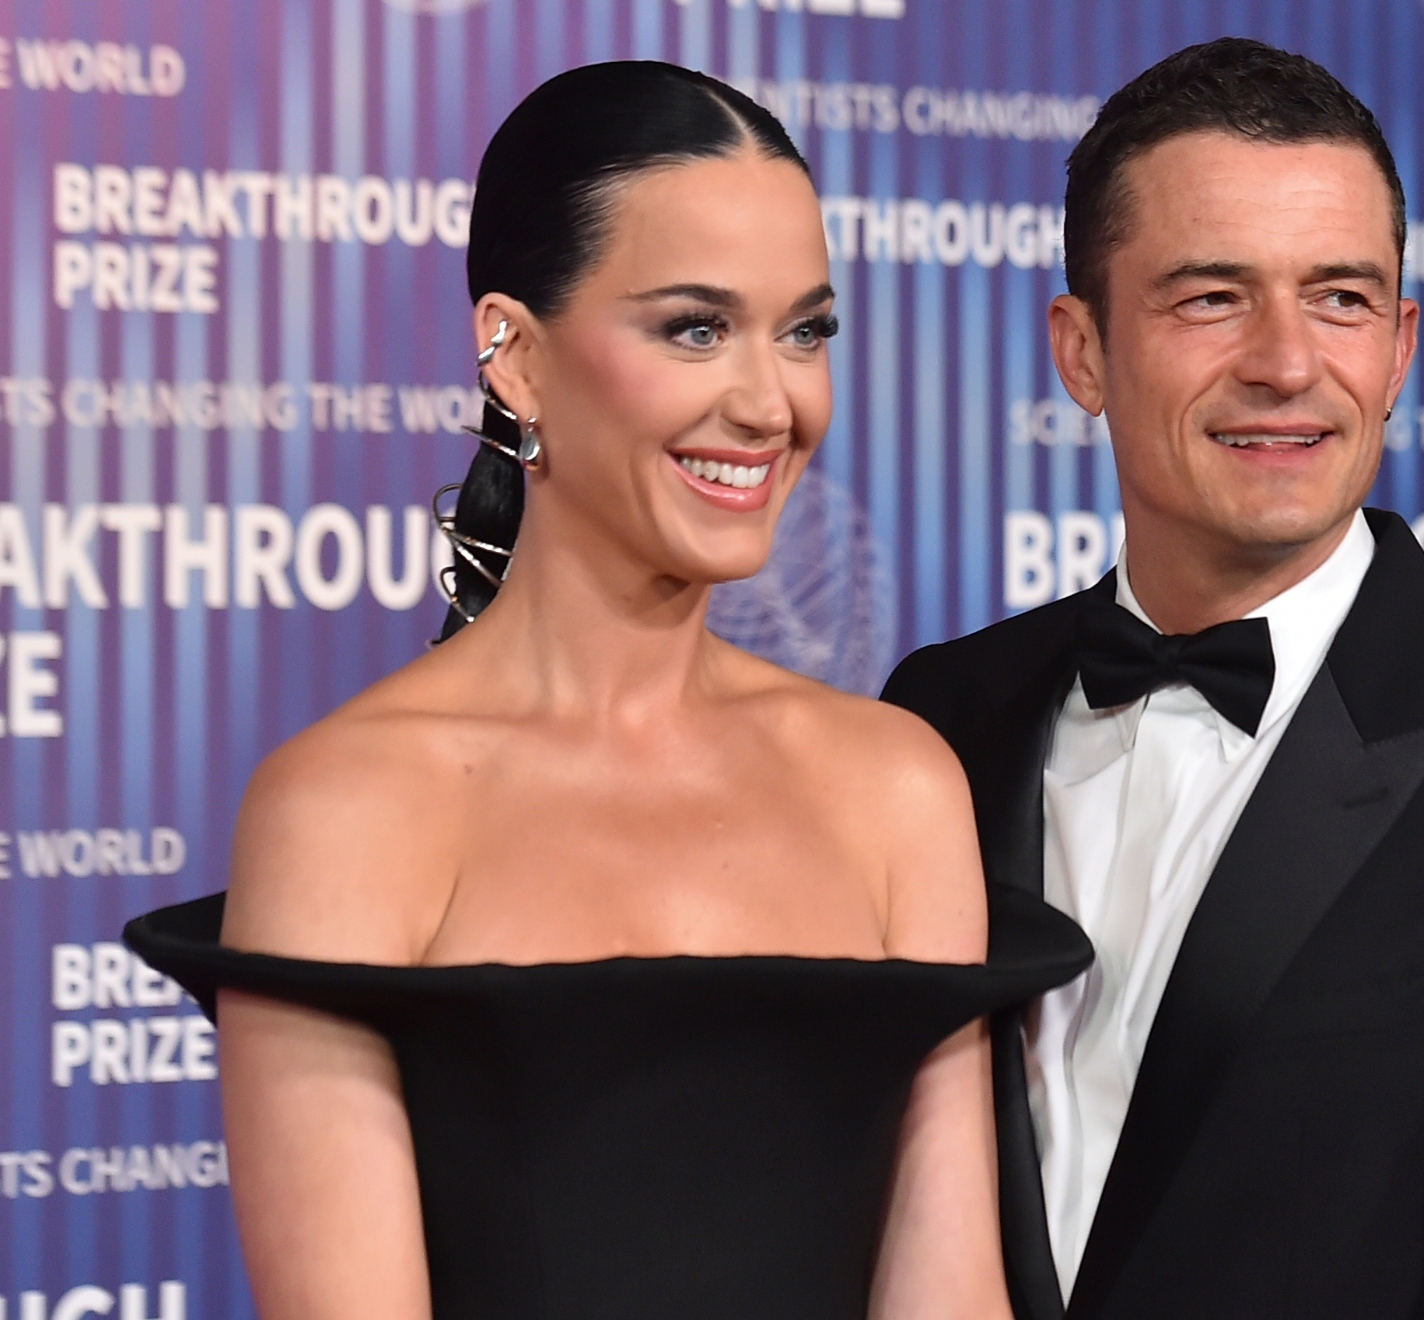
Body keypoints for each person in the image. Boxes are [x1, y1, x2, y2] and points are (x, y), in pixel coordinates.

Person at [125, 61, 1087, 1320]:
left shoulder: (896, 785)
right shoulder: (350, 812)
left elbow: (950, 1298)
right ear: (514, 356)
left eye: (804, 330)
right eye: (695, 327)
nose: (767, 401)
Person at [883, 37, 1424, 1320]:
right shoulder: (939, 718)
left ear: (1399, 349)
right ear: (1083, 351)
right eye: (1211, 297)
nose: (1288, 362)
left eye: (1339, 299)